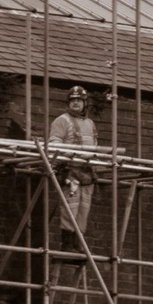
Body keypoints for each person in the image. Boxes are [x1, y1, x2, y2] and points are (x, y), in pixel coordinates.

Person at [49, 85, 98, 253]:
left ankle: (78, 242)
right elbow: (55, 143)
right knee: (71, 207)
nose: (75, 103)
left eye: (79, 100)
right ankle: (67, 244)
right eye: (72, 100)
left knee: (84, 208)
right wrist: (70, 155)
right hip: (70, 171)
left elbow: (94, 147)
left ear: (85, 103)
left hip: (86, 172)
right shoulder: (62, 120)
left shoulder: (90, 124)